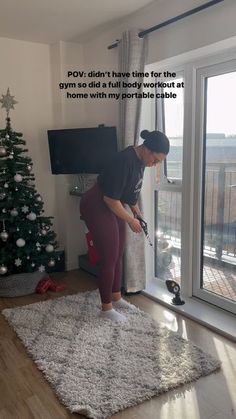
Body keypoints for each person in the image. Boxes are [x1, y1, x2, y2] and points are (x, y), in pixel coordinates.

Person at [80, 129, 170, 323]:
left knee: (119, 252)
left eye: (158, 163)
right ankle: (106, 309)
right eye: (155, 160)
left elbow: (130, 194)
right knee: (109, 256)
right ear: (147, 149)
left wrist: (137, 213)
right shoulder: (124, 161)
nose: (154, 165)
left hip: (113, 203)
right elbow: (110, 199)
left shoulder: (141, 162)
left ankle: (117, 298)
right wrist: (130, 220)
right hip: (96, 203)